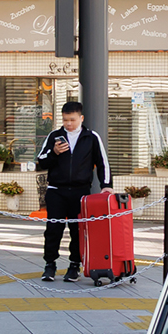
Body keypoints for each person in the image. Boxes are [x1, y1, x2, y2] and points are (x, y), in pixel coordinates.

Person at [35, 100, 109, 282]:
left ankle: (74, 265)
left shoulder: (91, 137)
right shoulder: (54, 136)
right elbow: (41, 162)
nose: (68, 123)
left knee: (78, 230)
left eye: (72, 120)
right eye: (65, 120)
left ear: (81, 118)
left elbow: (102, 163)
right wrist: (54, 152)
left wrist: (106, 185)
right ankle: (50, 264)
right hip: (56, 190)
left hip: (80, 191)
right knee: (53, 229)